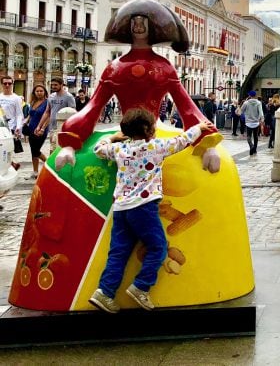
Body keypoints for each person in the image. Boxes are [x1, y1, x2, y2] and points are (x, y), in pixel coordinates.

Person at [53, 0, 222, 173]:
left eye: (144, 22)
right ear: (128, 25)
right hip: (134, 137)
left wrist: (208, 144)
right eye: (135, 22)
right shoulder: (115, 68)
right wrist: (70, 144)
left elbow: (187, 106)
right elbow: (93, 107)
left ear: (153, 26)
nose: (139, 26)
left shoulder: (163, 68)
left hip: (136, 138)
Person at [86, 108, 214, 313]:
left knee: (118, 253)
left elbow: (98, 149)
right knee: (158, 247)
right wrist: (198, 127)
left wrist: (112, 138)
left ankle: (105, 292)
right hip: (144, 209)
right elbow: (181, 141)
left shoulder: (120, 149)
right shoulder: (155, 147)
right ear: (148, 129)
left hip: (121, 208)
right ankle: (141, 286)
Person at [35, 76, 76, 152]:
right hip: (52, 127)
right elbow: (47, 112)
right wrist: (39, 126)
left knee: (59, 149)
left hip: (63, 128)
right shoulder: (51, 96)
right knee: (53, 148)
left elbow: (72, 113)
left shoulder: (69, 97)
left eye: (55, 85)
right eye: (52, 85)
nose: (53, 86)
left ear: (61, 85)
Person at [21, 84, 48, 179]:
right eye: (37, 91)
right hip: (31, 128)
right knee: (33, 151)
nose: (39, 93)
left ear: (45, 92)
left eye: (41, 91)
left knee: (36, 151)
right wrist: (25, 122)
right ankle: (35, 172)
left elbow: (48, 116)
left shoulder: (47, 102)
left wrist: (43, 128)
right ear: (34, 93)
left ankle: (49, 164)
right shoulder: (33, 102)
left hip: (41, 130)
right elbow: (30, 115)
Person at [0, 76, 24, 171]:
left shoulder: (16, 98)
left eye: (9, 83)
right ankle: (12, 164)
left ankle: (9, 166)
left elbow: (19, 114)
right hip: (0, 127)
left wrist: (18, 127)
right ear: (1, 84)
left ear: (12, 84)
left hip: (10, 128)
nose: (7, 85)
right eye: (5, 83)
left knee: (6, 149)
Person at [240, 91, 264, 156]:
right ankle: (255, 149)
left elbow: (241, 111)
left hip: (248, 122)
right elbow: (261, 112)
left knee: (249, 136)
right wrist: (262, 119)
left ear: (249, 95)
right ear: (255, 95)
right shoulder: (259, 103)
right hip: (256, 122)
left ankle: (251, 146)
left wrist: (239, 112)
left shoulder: (246, 103)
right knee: (255, 136)